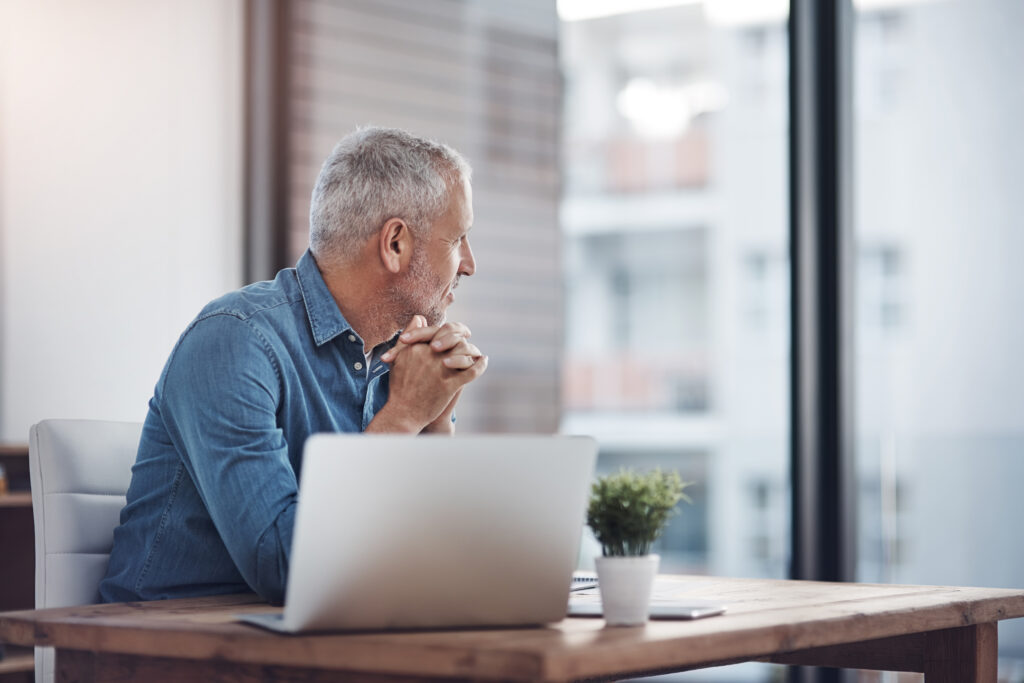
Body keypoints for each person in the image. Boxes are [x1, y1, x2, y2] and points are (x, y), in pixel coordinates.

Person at [100, 127, 487, 604]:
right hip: (163, 650)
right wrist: (405, 416)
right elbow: (284, 566)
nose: (468, 264)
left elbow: (436, 560)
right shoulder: (234, 341)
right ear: (395, 245)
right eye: (458, 240)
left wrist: (435, 417)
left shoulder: (400, 361)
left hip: (313, 640)